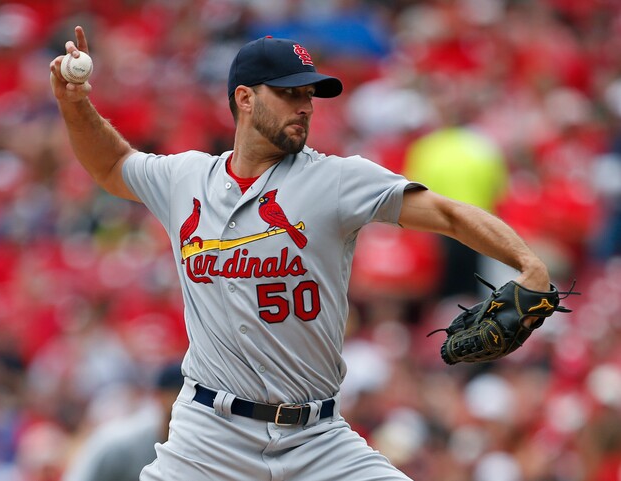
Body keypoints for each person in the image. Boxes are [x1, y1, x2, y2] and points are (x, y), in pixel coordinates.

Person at [50, 26, 552, 481]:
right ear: (244, 98)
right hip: (207, 439)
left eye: (309, 94)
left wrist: (530, 265)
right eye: (289, 93)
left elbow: (447, 214)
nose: (305, 106)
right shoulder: (186, 179)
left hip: (316, 438)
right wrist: (75, 105)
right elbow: (114, 166)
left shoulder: (335, 179)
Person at [61, 362, 184, 481]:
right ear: (159, 397)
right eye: (180, 393)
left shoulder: (192, 446)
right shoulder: (118, 445)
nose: (190, 403)